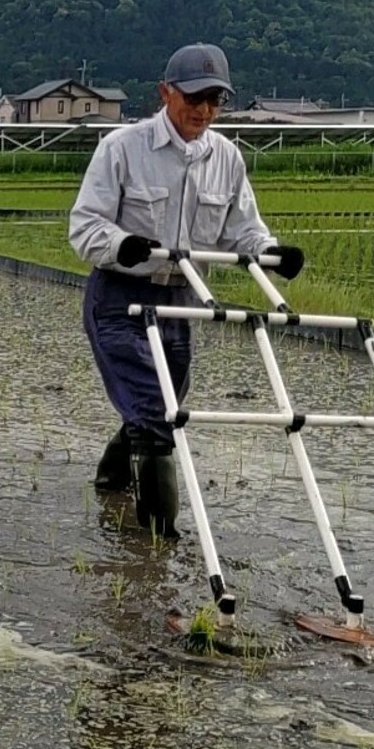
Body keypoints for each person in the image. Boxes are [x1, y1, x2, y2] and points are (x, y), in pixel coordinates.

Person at [69, 42, 305, 538]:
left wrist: (273, 254)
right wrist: (122, 245)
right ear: (165, 92)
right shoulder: (121, 148)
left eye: (214, 100)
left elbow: (244, 230)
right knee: (157, 415)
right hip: (120, 295)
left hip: (181, 300)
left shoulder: (227, 158)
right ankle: (159, 548)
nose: (202, 110)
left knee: (165, 405)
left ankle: (111, 479)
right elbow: (85, 226)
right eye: (193, 98)